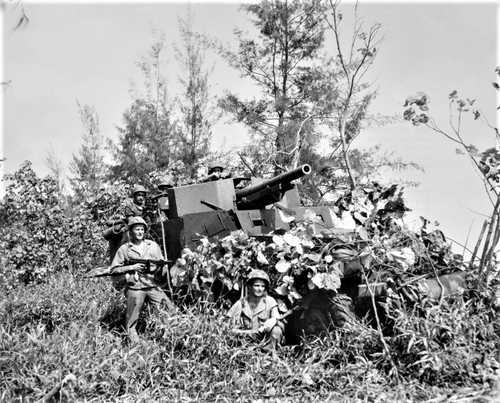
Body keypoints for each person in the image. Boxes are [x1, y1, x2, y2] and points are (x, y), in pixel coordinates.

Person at [111, 216, 176, 343]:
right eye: (137, 229)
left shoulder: (153, 246)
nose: (140, 232)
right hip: (135, 286)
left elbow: (160, 266)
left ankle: (172, 337)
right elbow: (113, 269)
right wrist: (131, 267)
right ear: (131, 232)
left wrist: (161, 267)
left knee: (170, 309)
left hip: (151, 284)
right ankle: (134, 345)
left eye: (142, 229)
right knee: (131, 320)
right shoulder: (125, 249)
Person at [227, 269, 284, 350]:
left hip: (264, 340)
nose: (260, 289)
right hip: (246, 340)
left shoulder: (270, 301)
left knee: (276, 330)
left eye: (263, 286)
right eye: (256, 285)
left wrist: (273, 322)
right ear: (250, 286)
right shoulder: (241, 303)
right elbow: (229, 327)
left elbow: (279, 321)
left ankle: (270, 353)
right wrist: (244, 332)